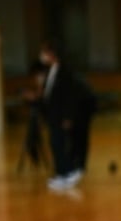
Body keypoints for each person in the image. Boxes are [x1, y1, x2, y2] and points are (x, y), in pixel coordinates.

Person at [38, 40, 94, 191]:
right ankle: (61, 174)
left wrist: (68, 117)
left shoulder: (65, 72)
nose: (42, 56)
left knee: (60, 144)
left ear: (51, 54)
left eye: (45, 53)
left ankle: (67, 172)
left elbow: (69, 97)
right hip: (53, 115)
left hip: (61, 115)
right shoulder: (50, 71)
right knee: (55, 144)